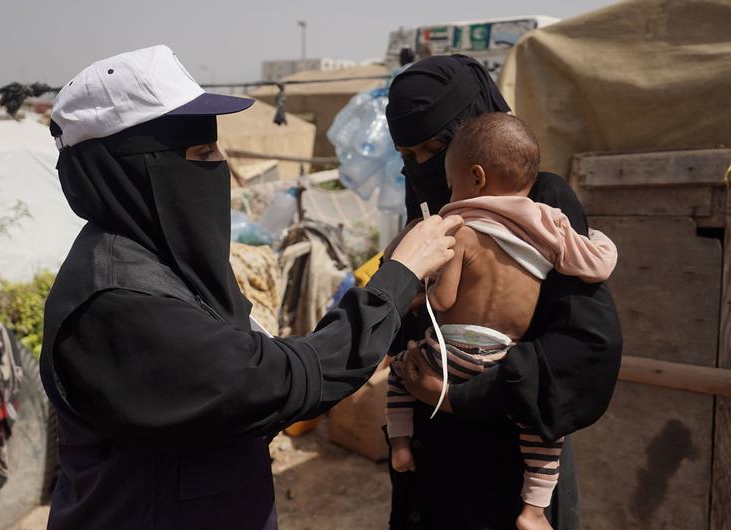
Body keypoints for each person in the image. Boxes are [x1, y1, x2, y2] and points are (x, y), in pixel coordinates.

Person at [38, 45, 464, 530]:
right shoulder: (117, 302)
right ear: (132, 171)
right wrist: (395, 281)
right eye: (202, 153)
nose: (221, 164)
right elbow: (270, 382)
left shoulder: (163, 260)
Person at [383, 55, 623, 530]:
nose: (420, 168)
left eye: (433, 150)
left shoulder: (540, 206)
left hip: (506, 463)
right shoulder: (434, 212)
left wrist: (455, 398)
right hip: (432, 459)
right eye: (406, 157)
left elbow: (583, 347)